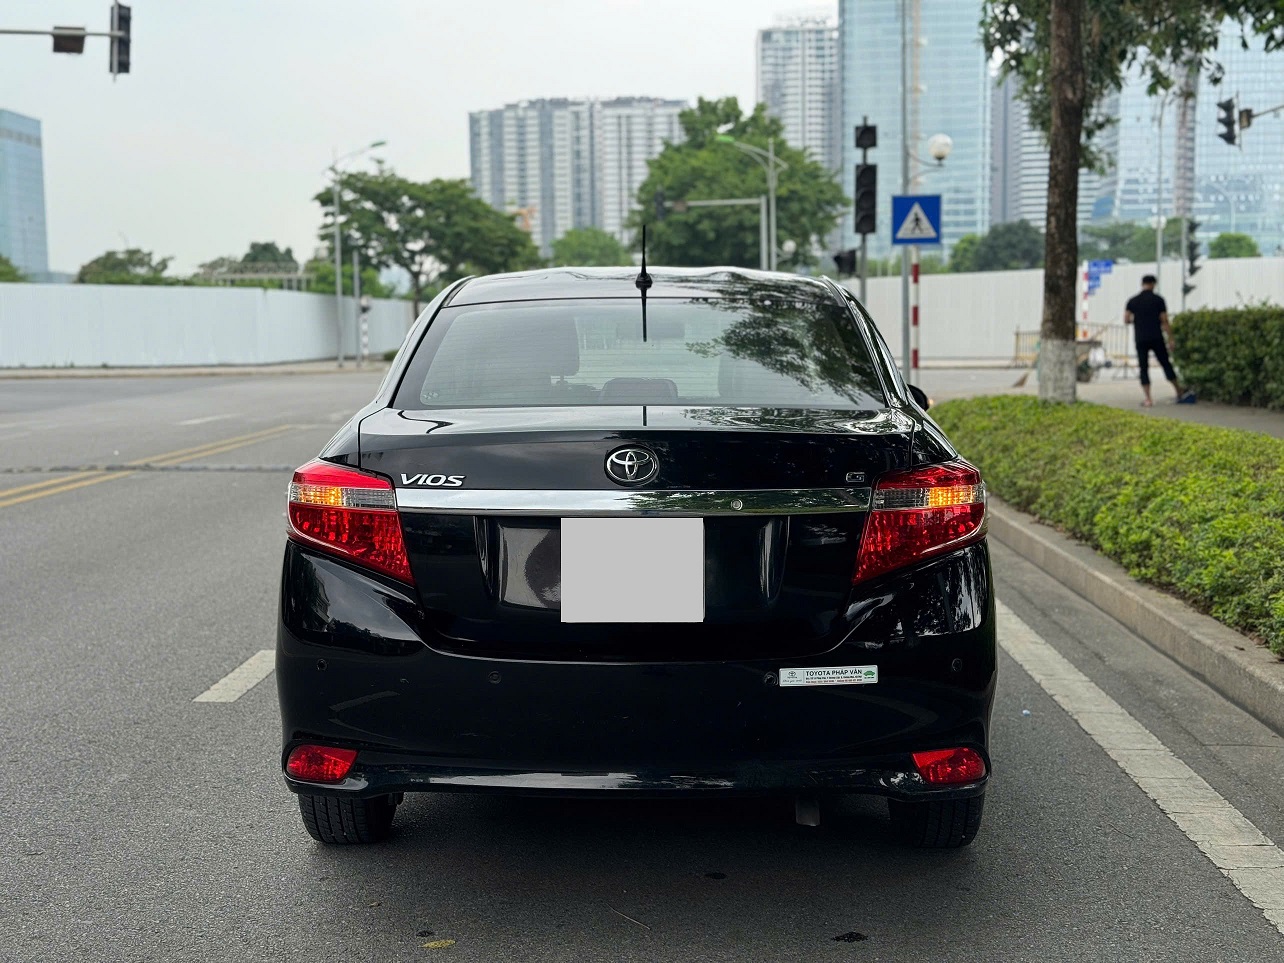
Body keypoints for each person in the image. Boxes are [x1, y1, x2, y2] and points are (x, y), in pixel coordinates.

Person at [1124, 275, 1195, 407]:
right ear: (1153, 284)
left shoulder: (1132, 301)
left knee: (1143, 367)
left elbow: (1126, 319)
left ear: (1142, 284)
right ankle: (1179, 392)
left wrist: (1138, 320)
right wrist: (1171, 338)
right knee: (1165, 364)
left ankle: (1148, 399)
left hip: (1140, 338)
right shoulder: (1158, 300)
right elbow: (1164, 320)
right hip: (1156, 337)